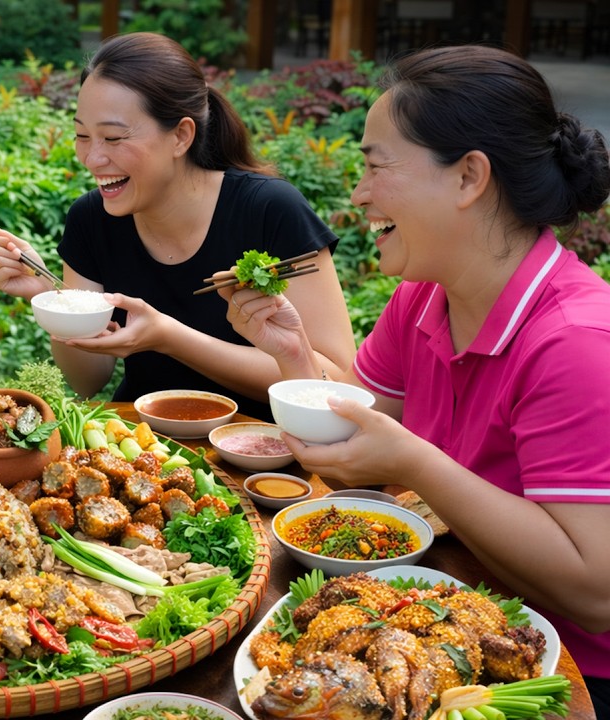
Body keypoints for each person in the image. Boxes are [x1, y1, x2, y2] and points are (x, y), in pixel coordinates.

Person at [221, 45, 610, 714]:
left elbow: (595, 593)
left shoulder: (577, 342)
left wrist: (416, 463)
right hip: (432, 616)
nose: (359, 193)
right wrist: (293, 355)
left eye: (376, 166)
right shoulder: (423, 298)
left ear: (468, 177)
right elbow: (352, 462)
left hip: (556, 679)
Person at [0, 32, 355, 420]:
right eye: (82, 135)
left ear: (181, 135)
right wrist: (51, 299)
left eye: (113, 137)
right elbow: (87, 381)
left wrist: (171, 338)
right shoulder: (91, 219)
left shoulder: (270, 209)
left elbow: (335, 379)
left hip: (268, 444)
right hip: (148, 444)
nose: (92, 158)